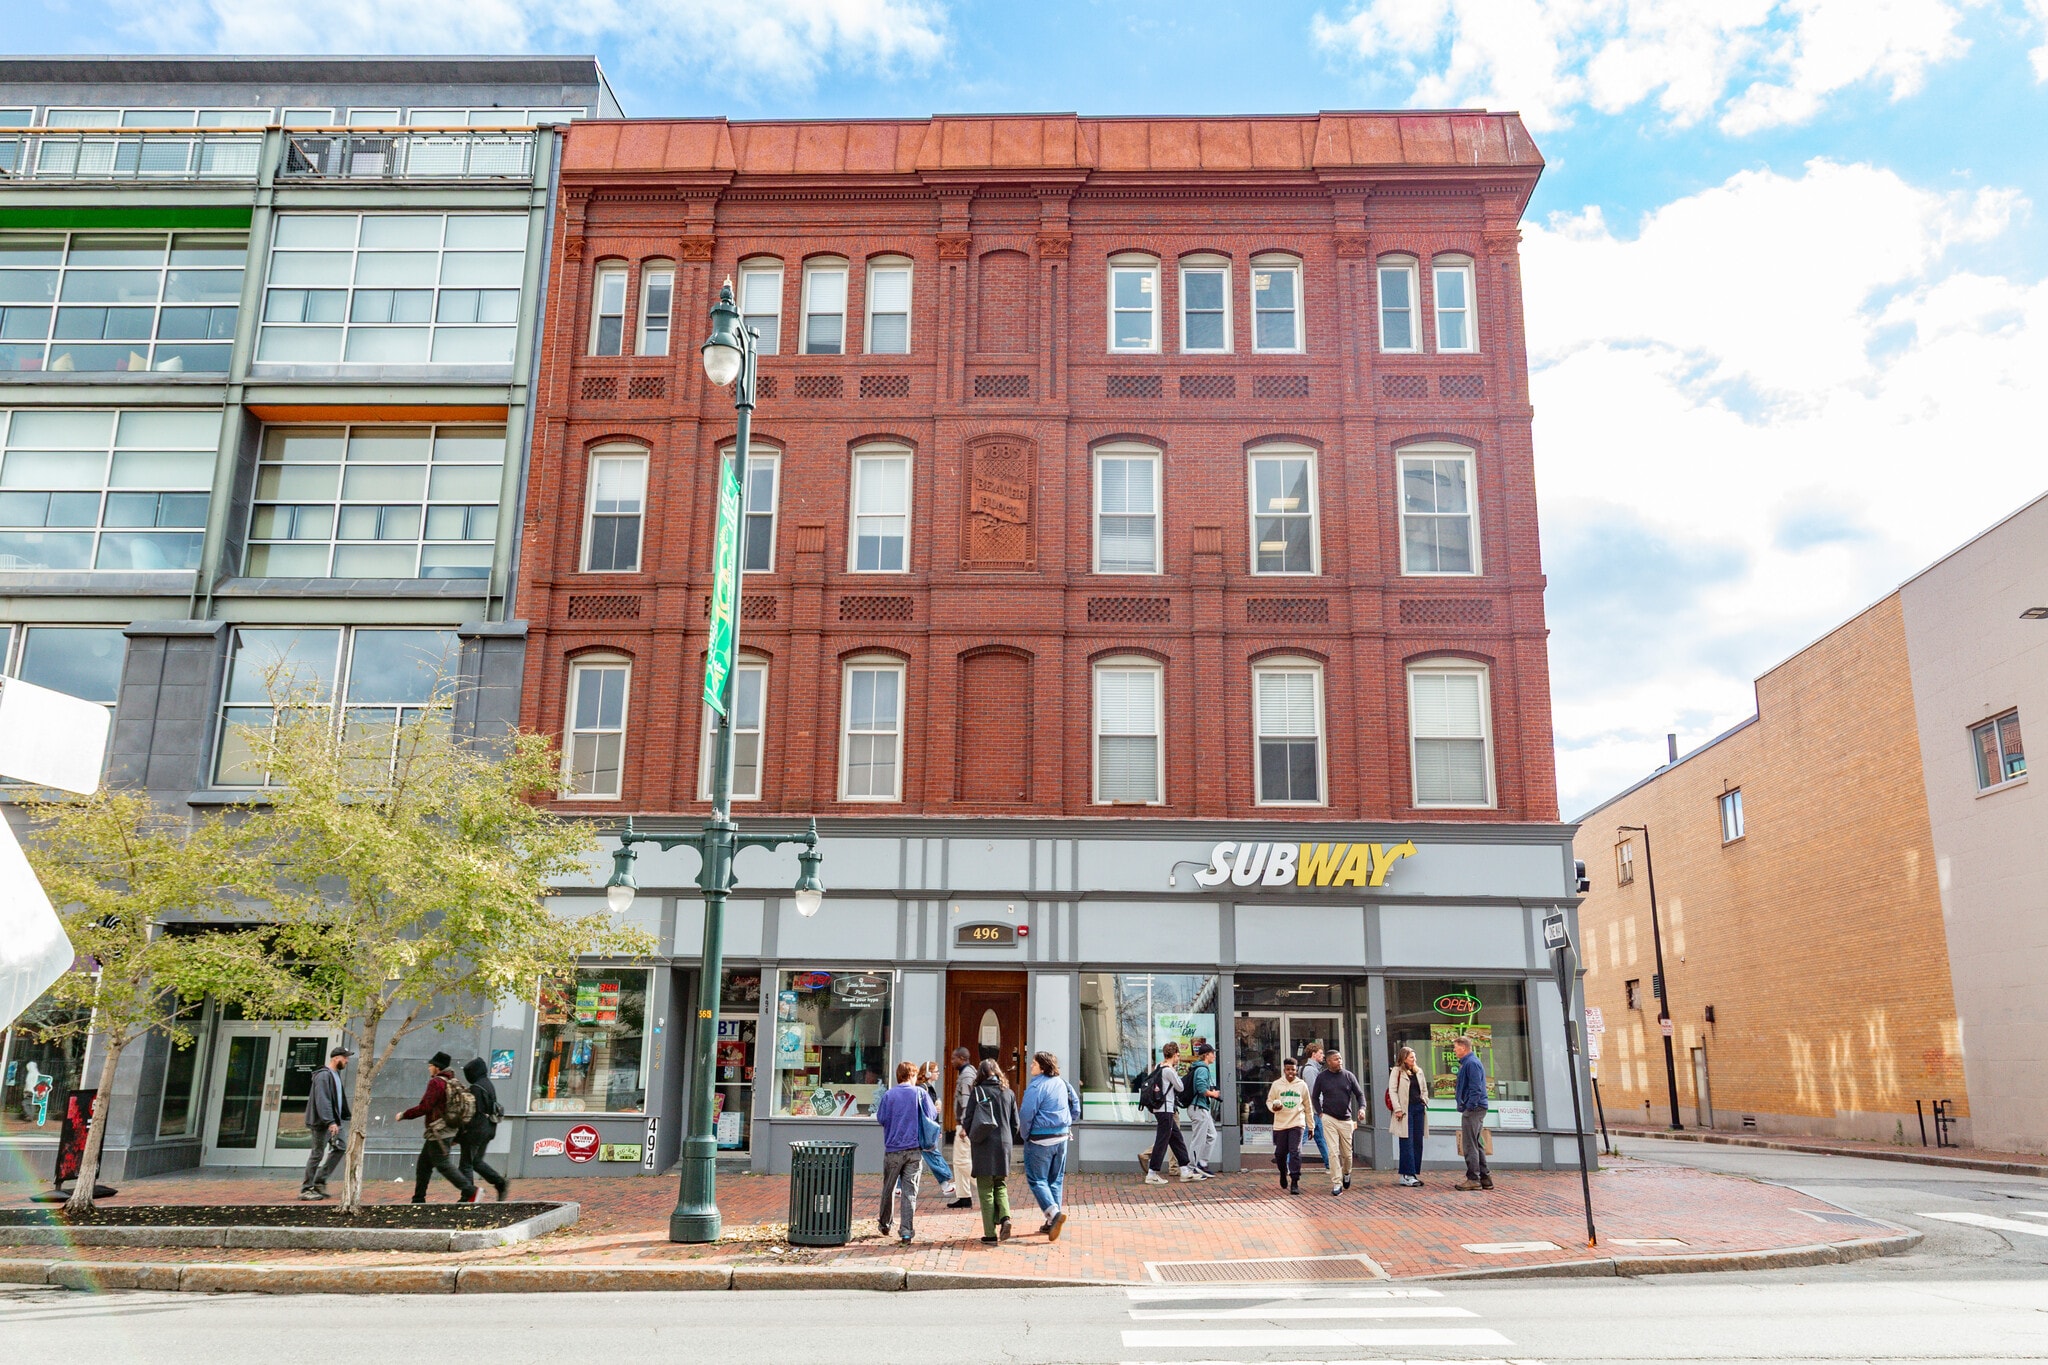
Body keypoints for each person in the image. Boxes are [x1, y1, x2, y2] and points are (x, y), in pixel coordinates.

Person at [1018, 1050, 1082, 1239]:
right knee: (1056, 1179)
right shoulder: (1062, 1083)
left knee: (1037, 1179)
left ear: (1043, 1067)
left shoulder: (1036, 1086)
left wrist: (1025, 1134)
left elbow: (1026, 1113)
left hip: (1040, 1139)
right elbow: (1075, 1105)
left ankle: (1054, 1215)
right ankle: (1051, 1222)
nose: (1031, 1066)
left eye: (1034, 1063)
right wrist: (1067, 1123)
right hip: (1062, 1137)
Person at [398, 1050, 476, 1203]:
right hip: (447, 1129)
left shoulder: (436, 1083)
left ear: (437, 1067)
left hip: (438, 1131)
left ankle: (471, 1190)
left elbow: (425, 1107)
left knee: (443, 1164)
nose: (429, 1068)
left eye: (431, 1065)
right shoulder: (452, 1081)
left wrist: (404, 1115)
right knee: (423, 1166)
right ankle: (418, 1199)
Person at [965, 1058, 1023, 1244]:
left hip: (983, 1145)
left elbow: (968, 1121)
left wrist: (973, 1137)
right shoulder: (1009, 1093)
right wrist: (1007, 1139)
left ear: (980, 1074)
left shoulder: (977, 1092)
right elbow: (1016, 1123)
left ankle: (990, 1234)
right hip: (1004, 1145)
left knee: (985, 1189)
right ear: (998, 1072)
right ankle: (1005, 1217)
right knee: (1000, 1184)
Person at [875, 1060, 935, 1243]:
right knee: (910, 1191)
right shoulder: (920, 1093)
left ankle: (885, 1224)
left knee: (889, 1188)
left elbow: (881, 1118)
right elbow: (931, 1116)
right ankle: (906, 1231)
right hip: (914, 1150)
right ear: (912, 1075)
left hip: (893, 1149)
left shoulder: (889, 1095)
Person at [297, 1045, 352, 1201]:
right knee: (317, 1153)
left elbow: (337, 1099)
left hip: (335, 1120)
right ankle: (306, 1189)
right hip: (323, 1122)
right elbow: (323, 1100)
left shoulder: (335, 1074)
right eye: (345, 1057)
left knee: (341, 1147)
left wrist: (342, 1116)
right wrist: (330, 1121)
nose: (347, 1060)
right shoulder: (323, 1075)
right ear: (336, 1058)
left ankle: (320, 1181)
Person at [1310, 1047, 1366, 1196]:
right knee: (1333, 1153)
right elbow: (1314, 1096)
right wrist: (1320, 1113)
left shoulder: (1348, 1076)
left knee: (1347, 1155)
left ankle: (1346, 1173)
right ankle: (1336, 1183)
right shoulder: (1322, 1077)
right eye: (1336, 1059)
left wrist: (1362, 1109)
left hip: (1346, 1120)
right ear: (1328, 1062)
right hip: (1329, 1119)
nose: (1339, 1061)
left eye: (1340, 1058)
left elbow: (1360, 1095)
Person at [458, 1056, 510, 1201]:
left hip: (475, 1131)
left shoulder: (476, 1087)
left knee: (466, 1165)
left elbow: (473, 1114)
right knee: (476, 1162)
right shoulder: (487, 1084)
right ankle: (500, 1183)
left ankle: (468, 1196)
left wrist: (461, 1134)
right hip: (488, 1129)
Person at [1143, 1042, 1196, 1184]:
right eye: (1178, 1055)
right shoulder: (1169, 1070)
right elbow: (1180, 1087)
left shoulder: (1159, 1066)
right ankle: (1152, 1173)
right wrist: (1174, 1070)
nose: (1179, 1058)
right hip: (1165, 1110)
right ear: (1174, 1055)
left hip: (1161, 1109)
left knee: (1176, 1138)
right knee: (1162, 1141)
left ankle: (1185, 1169)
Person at [1453, 1035, 1493, 1191]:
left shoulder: (1471, 1064)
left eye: (1456, 1047)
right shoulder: (1469, 1063)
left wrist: (1469, 1106)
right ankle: (1485, 1178)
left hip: (1474, 1109)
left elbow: (1476, 1088)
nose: (1454, 1050)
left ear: (1463, 1047)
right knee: (1476, 1143)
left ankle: (1473, 1179)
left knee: (1470, 1144)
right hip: (1475, 1108)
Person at [1266, 1055, 1310, 1195]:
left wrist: (1312, 1125)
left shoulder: (1302, 1085)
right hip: (1280, 1123)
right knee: (1280, 1154)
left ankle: (1295, 1181)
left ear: (1296, 1070)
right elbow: (1269, 1101)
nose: (1290, 1072)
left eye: (1293, 1070)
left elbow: (1308, 1106)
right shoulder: (1277, 1084)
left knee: (1295, 1151)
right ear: (1284, 1070)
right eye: (1288, 1069)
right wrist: (1274, 1107)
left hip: (1297, 1122)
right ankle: (1283, 1172)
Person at [1388, 1045, 1429, 1188]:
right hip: (1405, 1111)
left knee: (1418, 1141)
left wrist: (1424, 1100)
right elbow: (1392, 1091)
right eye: (1411, 1057)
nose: (1414, 1059)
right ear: (1404, 1058)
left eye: (1414, 1056)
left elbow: (1424, 1089)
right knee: (1407, 1141)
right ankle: (1406, 1174)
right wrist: (1397, 1108)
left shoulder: (1419, 1071)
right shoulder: (1397, 1072)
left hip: (1418, 1108)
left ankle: (1414, 1172)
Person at [947, 1046, 977, 1208]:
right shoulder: (968, 1073)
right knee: (958, 1162)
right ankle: (964, 1196)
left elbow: (966, 1103)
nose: (952, 1062)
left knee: (962, 1161)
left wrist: (964, 1126)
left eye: (954, 1058)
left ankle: (987, 1187)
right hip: (963, 1125)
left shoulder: (966, 1077)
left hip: (964, 1127)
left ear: (963, 1059)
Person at [1187, 1042, 1222, 1177]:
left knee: (1212, 1135)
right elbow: (1201, 1089)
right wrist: (1213, 1094)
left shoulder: (1201, 1068)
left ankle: (1202, 1163)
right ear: (1207, 1055)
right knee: (1198, 1139)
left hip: (1201, 1107)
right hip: (1198, 1108)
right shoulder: (1202, 1069)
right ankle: (1192, 1168)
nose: (1214, 1056)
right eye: (1213, 1053)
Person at [1299, 1042, 1330, 1172]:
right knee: (1302, 1138)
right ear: (1313, 1054)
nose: (1323, 1056)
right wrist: (1321, 1108)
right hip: (1312, 1111)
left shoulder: (1308, 1069)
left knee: (1320, 1138)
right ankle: (1289, 1163)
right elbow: (1314, 1093)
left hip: (1312, 1111)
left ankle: (1330, 1164)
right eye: (1320, 1053)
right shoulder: (1311, 1070)